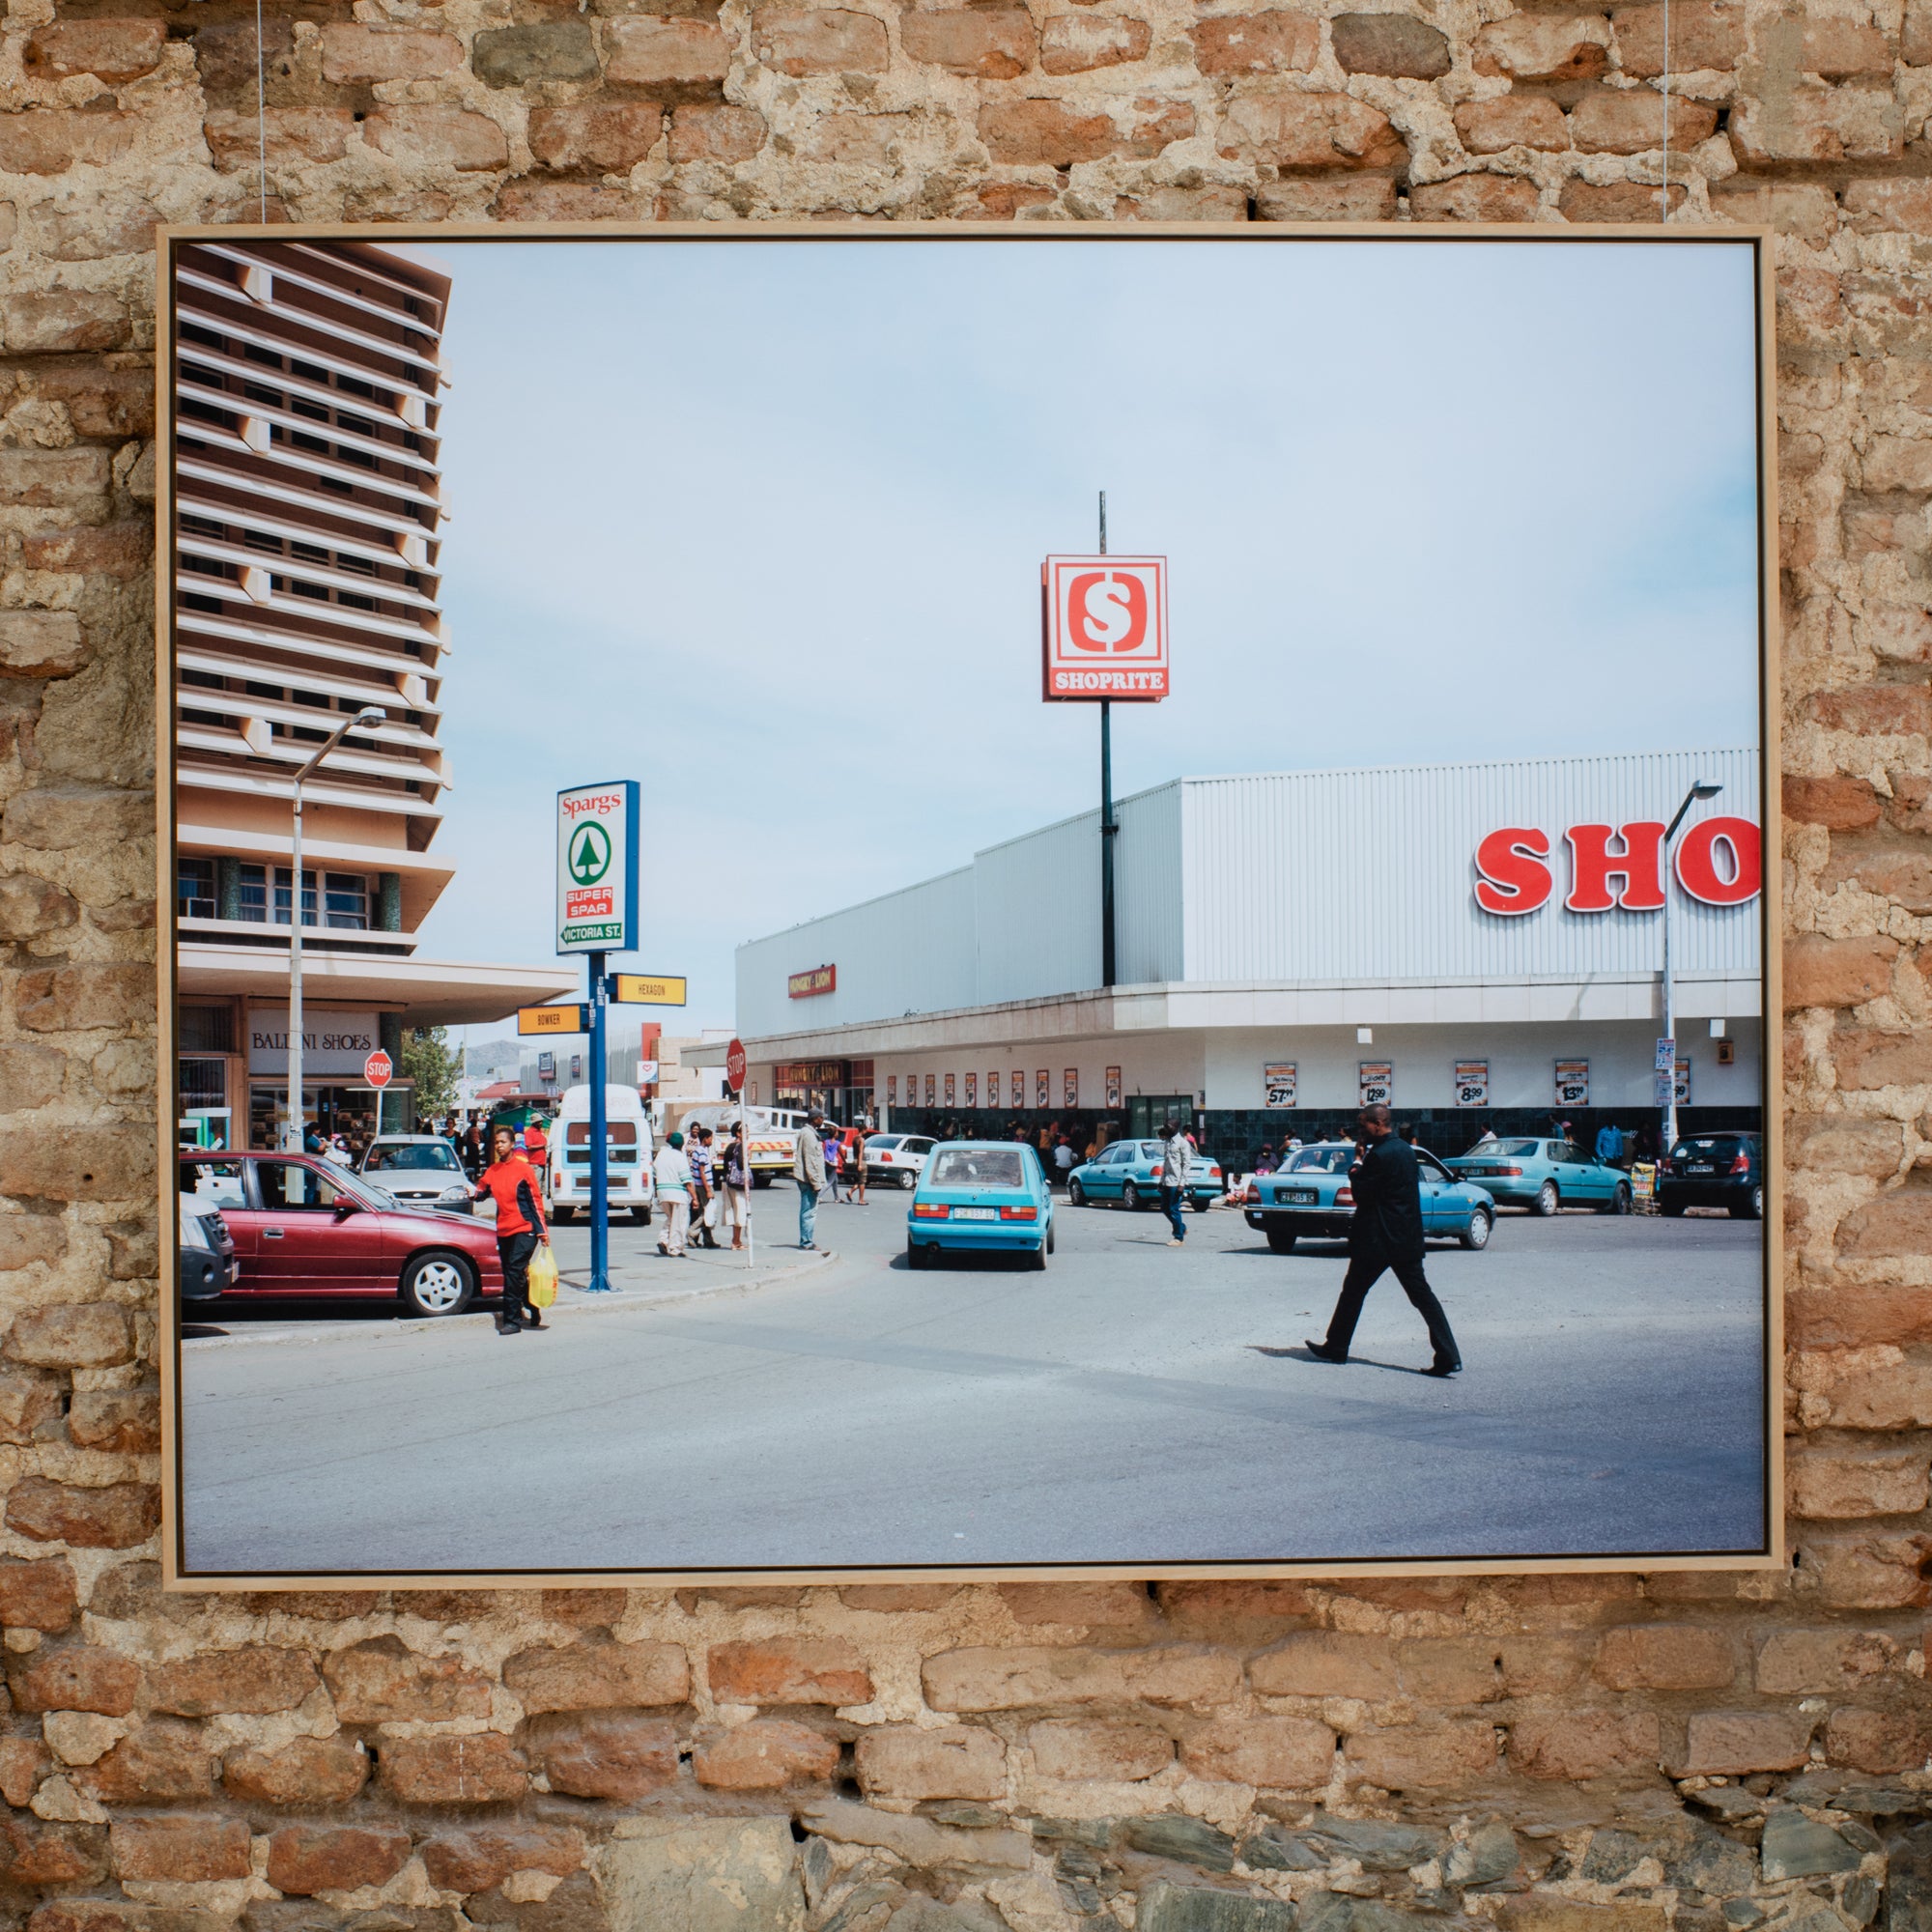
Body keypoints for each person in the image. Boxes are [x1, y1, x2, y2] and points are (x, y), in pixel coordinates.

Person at [1305, 1104, 1461, 1378]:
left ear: (1378, 1123)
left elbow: (1362, 1193)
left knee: (1353, 1292)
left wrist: (1355, 1165)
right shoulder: (1405, 1151)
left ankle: (1337, 1347)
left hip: (1377, 1241)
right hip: (1405, 1239)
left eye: (1363, 1124)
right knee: (1423, 1298)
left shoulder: (1378, 1156)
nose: (1360, 1130)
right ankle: (1449, 1356)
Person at [471, 1124, 549, 1334]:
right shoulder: (493, 1170)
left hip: (525, 1229)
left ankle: (512, 1321)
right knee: (513, 1274)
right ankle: (532, 1306)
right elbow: (482, 1190)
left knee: (514, 1271)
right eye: (496, 1142)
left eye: (503, 1142)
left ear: (512, 1144)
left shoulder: (523, 1170)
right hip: (504, 1230)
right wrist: (472, 1192)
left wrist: (542, 1231)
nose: (499, 1146)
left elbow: (535, 1201)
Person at [654, 1130, 696, 1257]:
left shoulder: (661, 1154)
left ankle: (663, 1240)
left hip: (662, 1191)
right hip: (677, 1193)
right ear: (682, 1145)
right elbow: (687, 1181)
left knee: (671, 1218)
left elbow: (654, 1173)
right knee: (680, 1221)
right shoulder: (680, 1157)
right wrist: (695, 1198)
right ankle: (675, 1248)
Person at [794, 1106, 827, 1249]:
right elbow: (810, 1160)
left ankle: (806, 1239)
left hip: (807, 1178)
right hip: (808, 1179)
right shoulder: (808, 1135)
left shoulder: (809, 1133)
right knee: (809, 1212)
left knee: (808, 1211)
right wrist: (815, 1182)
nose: (823, 1120)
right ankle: (806, 1241)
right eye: (821, 1118)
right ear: (815, 1119)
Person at [1157, 1121, 1192, 1245]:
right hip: (1167, 1180)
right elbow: (1166, 1163)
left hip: (1176, 1182)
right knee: (1164, 1207)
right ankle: (1181, 1228)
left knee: (1173, 1209)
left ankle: (1178, 1238)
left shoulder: (1183, 1143)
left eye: (1169, 1126)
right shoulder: (1167, 1142)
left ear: (1175, 1127)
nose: (1166, 1128)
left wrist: (1182, 1184)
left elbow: (1186, 1164)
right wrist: (1161, 1181)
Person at [688, 1125, 722, 1249]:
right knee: (708, 1213)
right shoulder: (701, 1152)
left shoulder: (699, 1151)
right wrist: (708, 1190)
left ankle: (708, 1239)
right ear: (705, 1139)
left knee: (705, 1212)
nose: (711, 1141)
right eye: (710, 1138)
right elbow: (702, 1172)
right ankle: (691, 1232)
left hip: (699, 1185)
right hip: (703, 1186)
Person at [719, 1121, 751, 1249]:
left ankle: (736, 1240)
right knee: (741, 1211)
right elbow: (742, 1165)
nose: (747, 1134)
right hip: (738, 1184)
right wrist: (748, 1157)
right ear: (738, 1133)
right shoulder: (740, 1147)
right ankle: (736, 1241)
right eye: (745, 1132)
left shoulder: (730, 1146)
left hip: (728, 1181)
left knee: (735, 1211)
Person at [850, 1124, 868, 1206]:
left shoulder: (855, 1138)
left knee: (859, 1179)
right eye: (866, 1130)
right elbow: (861, 1151)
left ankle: (850, 1191)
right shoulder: (861, 1139)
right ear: (863, 1130)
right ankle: (861, 1199)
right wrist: (860, 1164)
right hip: (861, 1161)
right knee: (862, 1182)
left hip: (854, 1159)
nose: (866, 1131)